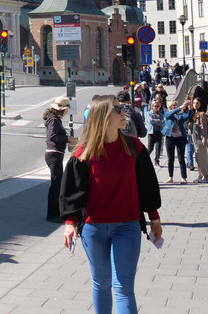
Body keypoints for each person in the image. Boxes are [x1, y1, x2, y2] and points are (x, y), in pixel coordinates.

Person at [61, 96, 162, 314]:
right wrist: (70, 222)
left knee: (124, 288)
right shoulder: (83, 153)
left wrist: (154, 218)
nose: (124, 112)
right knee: (101, 284)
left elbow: (147, 186)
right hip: (93, 228)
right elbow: (72, 192)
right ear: (104, 116)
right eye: (117, 109)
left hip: (128, 226)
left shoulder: (134, 147)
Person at [44, 96, 76, 222]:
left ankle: (55, 212)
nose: (67, 111)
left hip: (55, 153)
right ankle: (52, 214)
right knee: (55, 185)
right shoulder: (54, 121)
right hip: (54, 153)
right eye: (66, 109)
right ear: (61, 110)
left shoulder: (54, 119)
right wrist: (68, 139)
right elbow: (52, 137)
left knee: (57, 184)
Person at [162, 100, 191, 184]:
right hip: (170, 138)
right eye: (172, 106)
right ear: (169, 107)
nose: (174, 107)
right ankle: (170, 177)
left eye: (175, 105)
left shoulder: (180, 116)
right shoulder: (168, 114)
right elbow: (168, 115)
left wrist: (189, 107)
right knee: (170, 158)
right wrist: (179, 108)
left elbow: (187, 116)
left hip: (180, 138)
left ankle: (183, 177)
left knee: (181, 158)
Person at [189, 98, 208, 183]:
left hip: (200, 140)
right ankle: (200, 176)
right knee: (197, 159)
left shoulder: (202, 114)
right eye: (194, 103)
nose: (195, 105)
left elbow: (203, 128)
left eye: (197, 103)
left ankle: (206, 177)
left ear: (200, 104)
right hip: (195, 140)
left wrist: (204, 139)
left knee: (202, 159)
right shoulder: (193, 114)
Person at [145, 95, 166, 166]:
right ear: (152, 107)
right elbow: (150, 121)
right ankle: (144, 159)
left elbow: (163, 122)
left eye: (157, 106)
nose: (156, 107)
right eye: (155, 106)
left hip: (158, 132)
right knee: (150, 148)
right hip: (151, 132)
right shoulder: (149, 113)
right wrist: (157, 120)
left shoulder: (160, 114)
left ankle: (157, 161)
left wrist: (157, 121)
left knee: (158, 147)